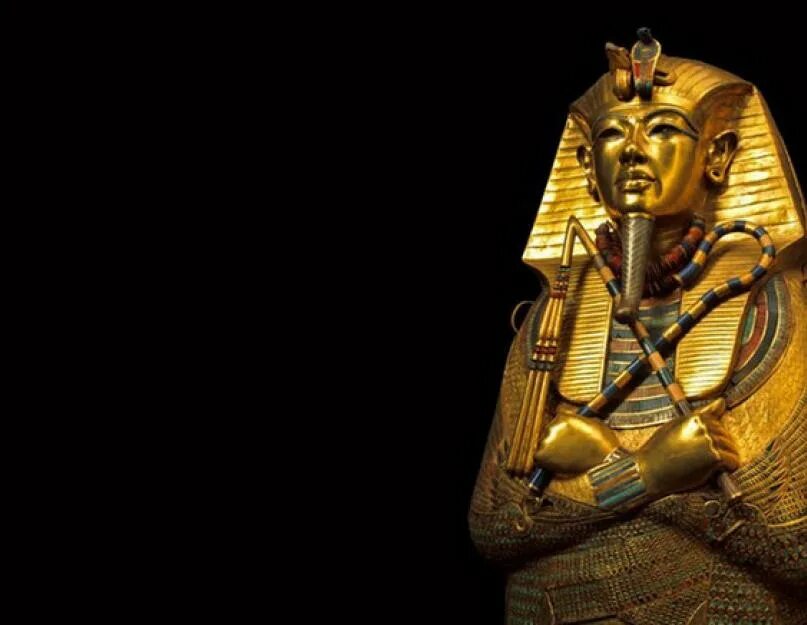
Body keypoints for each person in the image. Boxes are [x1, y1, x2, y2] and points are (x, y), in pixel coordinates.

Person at [469, 29, 806, 625]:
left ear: (718, 155)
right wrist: (650, 473)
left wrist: (593, 479)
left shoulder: (768, 311)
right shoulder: (553, 318)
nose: (631, 151)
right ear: (586, 166)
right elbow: (496, 526)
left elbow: (793, 544)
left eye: (663, 130)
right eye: (611, 134)